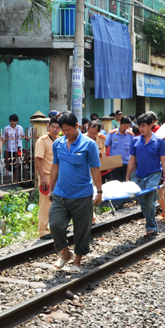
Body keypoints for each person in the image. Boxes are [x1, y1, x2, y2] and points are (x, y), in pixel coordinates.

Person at [49, 111, 102, 274]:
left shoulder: (89, 144)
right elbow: (55, 166)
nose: (65, 133)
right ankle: (65, 253)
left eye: (68, 130)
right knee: (55, 224)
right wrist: (51, 189)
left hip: (82, 195)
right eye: (62, 130)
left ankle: (77, 261)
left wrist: (99, 191)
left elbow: (95, 168)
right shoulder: (58, 143)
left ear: (77, 126)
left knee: (81, 230)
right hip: (60, 194)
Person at [126, 113, 165, 237]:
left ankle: (151, 227)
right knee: (143, 202)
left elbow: (164, 160)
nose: (141, 128)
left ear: (151, 125)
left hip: (154, 174)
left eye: (143, 126)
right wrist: (127, 178)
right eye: (139, 126)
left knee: (149, 199)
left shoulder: (159, 141)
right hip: (139, 175)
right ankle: (151, 222)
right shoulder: (135, 141)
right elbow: (132, 160)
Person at [35, 115, 61, 240]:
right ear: (48, 126)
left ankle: (55, 227)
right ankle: (43, 231)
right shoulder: (43, 140)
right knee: (45, 204)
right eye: (53, 127)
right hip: (47, 177)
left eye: (57, 127)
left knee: (58, 204)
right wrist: (43, 177)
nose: (55, 129)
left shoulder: (60, 140)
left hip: (59, 177)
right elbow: (38, 159)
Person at [105, 116, 134, 182]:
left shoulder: (131, 135)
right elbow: (105, 146)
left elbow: (133, 149)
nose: (126, 128)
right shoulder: (112, 133)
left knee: (125, 186)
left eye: (127, 126)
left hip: (126, 164)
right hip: (114, 165)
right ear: (120, 123)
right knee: (116, 186)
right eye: (124, 126)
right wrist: (107, 161)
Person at [2, 114, 25, 183]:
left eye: (15, 121)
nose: (13, 122)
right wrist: (1, 147)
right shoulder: (6, 128)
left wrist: (26, 137)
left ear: (17, 121)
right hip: (8, 149)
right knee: (7, 165)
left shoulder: (20, 128)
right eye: (12, 121)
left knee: (17, 164)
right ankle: (14, 176)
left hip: (18, 149)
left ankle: (15, 178)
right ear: (9, 121)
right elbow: (4, 138)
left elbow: (22, 135)